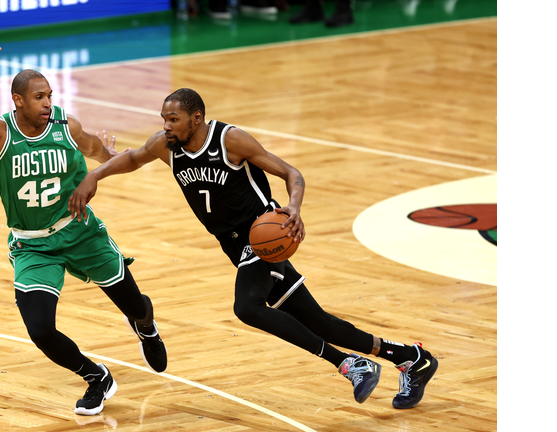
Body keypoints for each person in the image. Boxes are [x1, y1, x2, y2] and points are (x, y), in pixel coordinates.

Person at [68, 88, 439, 409]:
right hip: (236, 248)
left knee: (246, 307)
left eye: (174, 119)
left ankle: (348, 365)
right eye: (164, 118)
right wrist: (93, 175)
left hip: (262, 239)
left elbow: (292, 174)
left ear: (196, 118)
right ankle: (411, 359)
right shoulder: (167, 146)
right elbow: (132, 159)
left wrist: (293, 207)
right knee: (320, 323)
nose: (166, 125)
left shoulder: (230, 141)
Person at [0, 19, 168, 416]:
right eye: (39, 96)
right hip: (33, 245)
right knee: (41, 330)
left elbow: (101, 153)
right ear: (18, 101)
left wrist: (108, 162)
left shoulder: (65, 125)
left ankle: (145, 326)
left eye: (50, 95)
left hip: (81, 233)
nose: (48, 102)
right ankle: (96, 376)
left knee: (136, 306)